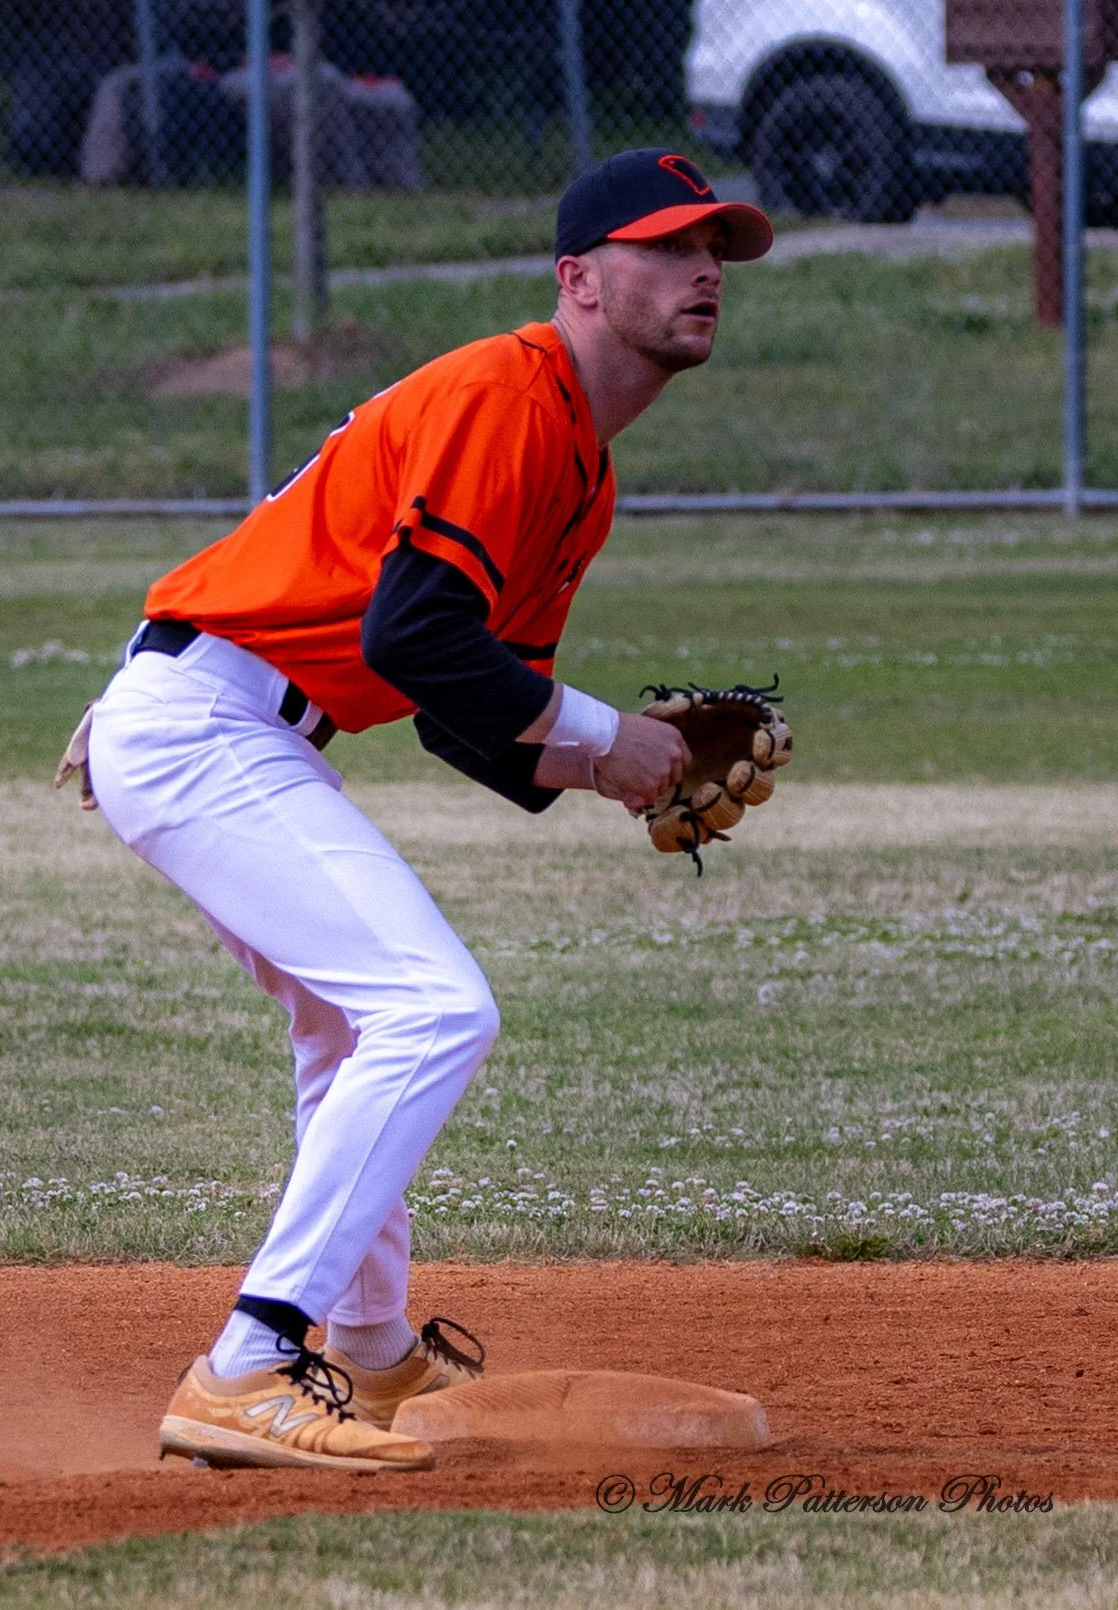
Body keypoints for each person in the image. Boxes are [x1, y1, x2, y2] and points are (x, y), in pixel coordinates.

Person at [67, 149, 773, 1472]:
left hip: (226, 719)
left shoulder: (580, 466)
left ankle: (374, 1356)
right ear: (579, 278)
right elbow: (415, 636)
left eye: (715, 252)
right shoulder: (513, 395)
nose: (701, 273)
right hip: (208, 719)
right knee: (435, 1007)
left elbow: (464, 706)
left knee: (353, 1026)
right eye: (668, 246)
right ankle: (248, 1364)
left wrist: (614, 762)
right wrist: (604, 736)